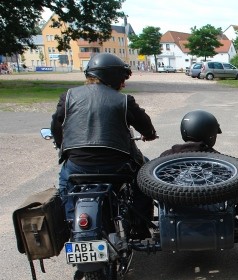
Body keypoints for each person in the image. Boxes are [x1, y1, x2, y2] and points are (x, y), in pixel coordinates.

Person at [51, 53, 158, 237]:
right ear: (113, 77)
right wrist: (148, 135)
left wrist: (62, 145)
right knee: (144, 176)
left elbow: (57, 125)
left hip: (78, 166)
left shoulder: (68, 97)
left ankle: (71, 224)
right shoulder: (123, 101)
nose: (123, 84)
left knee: (64, 186)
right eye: (122, 78)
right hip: (116, 167)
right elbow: (145, 124)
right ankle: (139, 227)